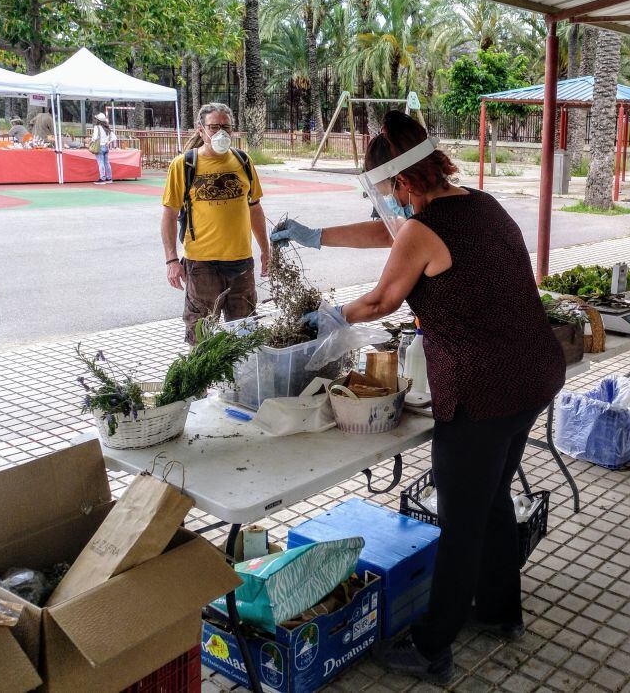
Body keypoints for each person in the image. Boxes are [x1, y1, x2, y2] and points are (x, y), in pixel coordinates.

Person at [270, 111, 565, 684]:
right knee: (494, 496)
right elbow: (392, 231)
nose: (386, 202)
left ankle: (432, 646)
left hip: (484, 389)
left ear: (404, 183)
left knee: (459, 520)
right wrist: (317, 236)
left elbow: (381, 300)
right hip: (532, 372)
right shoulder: (477, 204)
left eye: (386, 191)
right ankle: (500, 611)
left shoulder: (422, 228)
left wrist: (331, 318)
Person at [161, 102, 269, 344]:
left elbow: (255, 208)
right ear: (201, 131)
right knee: (200, 336)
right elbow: (169, 214)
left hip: (241, 263)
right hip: (202, 264)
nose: (220, 133)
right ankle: (202, 381)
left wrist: (265, 250)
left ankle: (242, 381)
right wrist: (171, 260)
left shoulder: (243, 161)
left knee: (245, 334)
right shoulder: (183, 165)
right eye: (214, 127)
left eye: (226, 127)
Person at [89, 112, 117, 183]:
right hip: (106, 147)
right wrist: (108, 142)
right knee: (107, 163)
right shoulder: (107, 128)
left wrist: (91, 141)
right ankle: (109, 178)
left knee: (100, 163)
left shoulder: (97, 127)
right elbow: (114, 137)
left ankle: (102, 178)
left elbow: (95, 137)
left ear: (98, 120)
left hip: (99, 147)